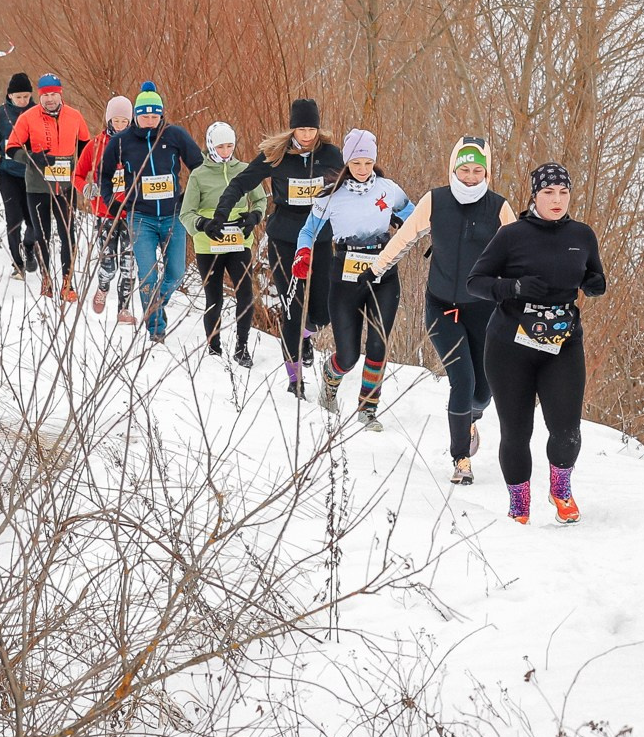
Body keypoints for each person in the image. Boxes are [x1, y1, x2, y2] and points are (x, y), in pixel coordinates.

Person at [467, 163, 606, 525]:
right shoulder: (512, 235)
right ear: (534, 196)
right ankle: (519, 504)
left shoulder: (582, 234)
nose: (556, 200)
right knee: (517, 432)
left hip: (562, 343)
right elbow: (475, 282)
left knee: (566, 429)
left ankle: (560, 489)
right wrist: (511, 287)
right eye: (548, 193)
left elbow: (595, 273)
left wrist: (594, 284)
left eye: (563, 192)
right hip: (509, 344)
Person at [373, 136, 514, 484]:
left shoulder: (498, 207)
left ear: (486, 171)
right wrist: (376, 267)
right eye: (463, 170)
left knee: (484, 390)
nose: (469, 177)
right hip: (441, 307)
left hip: (484, 309)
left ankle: (470, 418)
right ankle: (460, 458)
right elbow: (405, 236)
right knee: (462, 381)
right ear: (453, 169)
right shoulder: (435, 201)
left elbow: (521, 250)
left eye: (476, 170)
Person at [209, 100, 343, 394]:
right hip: (285, 240)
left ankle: (305, 335)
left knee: (322, 314)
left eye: (311, 129)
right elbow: (240, 183)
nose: (307, 135)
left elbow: (356, 186)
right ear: (292, 128)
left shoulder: (331, 155)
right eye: (301, 128)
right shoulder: (277, 155)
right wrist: (222, 212)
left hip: (320, 240)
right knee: (292, 312)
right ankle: (295, 382)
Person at [294, 130, 414, 427]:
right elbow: (308, 231)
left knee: (378, 345)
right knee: (348, 355)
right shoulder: (331, 196)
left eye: (368, 163)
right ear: (348, 163)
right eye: (357, 163)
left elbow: (414, 214)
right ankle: (331, 380)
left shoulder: (388, 189)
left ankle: (367, 409)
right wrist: (303, 253)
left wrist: (402, 221)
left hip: (384, 272)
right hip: (345, 273)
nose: (363, 170)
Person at [102, 85, 206, 344]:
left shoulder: (174, 135)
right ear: (136, 116)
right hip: (140, 218)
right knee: (148, 275)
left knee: (176, 273)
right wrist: (112, 203)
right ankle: (155, 329)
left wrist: (188, 199)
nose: (150, 122)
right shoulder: (121, 141)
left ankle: (155, 306)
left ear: (162, 115)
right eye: (144, 116)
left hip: (173, 216)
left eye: (155, 116)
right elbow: (103, 174)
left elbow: (200, 167)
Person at [4, 73, 92, 302]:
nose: (49, 99)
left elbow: (85, 145)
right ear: (40, 96)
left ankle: (67, 281)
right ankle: (46, 279)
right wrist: (32, 157)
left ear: (60, 94)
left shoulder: (74, 116)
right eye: (45, 95)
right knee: (42, 235)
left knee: (67, 235)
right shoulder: (28, 117)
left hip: (65, 186)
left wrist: (80, 168)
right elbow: (11, 148)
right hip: (37, 186)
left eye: (53, 94)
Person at [182, 121, 264, 363]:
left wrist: (254, 217)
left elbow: (260, 201)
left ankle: (242, 347)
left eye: (230, 145)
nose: (226, 151)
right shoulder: (199, 175)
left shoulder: (245, 170)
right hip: (209, 245)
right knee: (214, 298)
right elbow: (186, 213)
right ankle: (214, 348)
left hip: (239, 242)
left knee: (246, 295)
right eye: (220, 147)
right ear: (210, 147)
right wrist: (203, 224)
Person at [75, 94, 136, 319]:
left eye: (124, 122)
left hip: (130, 212)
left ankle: (124, 308)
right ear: (109, 121)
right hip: (104, 212)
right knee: (109, 264)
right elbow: (78, 174)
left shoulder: (136, 145)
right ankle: (102, 286)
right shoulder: (96, 145)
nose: (120, 126)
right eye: (116, 121)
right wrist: (86, 188)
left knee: (129, 265)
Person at [0, 73, 39, 278]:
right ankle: (17, 265)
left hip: (33, 174)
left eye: (26, 96)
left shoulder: (38, 113)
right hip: (8, 174)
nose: (23, 101)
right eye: (19, 97)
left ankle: (28, 247)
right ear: (10, 96)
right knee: (13, 220)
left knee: (34, 222)